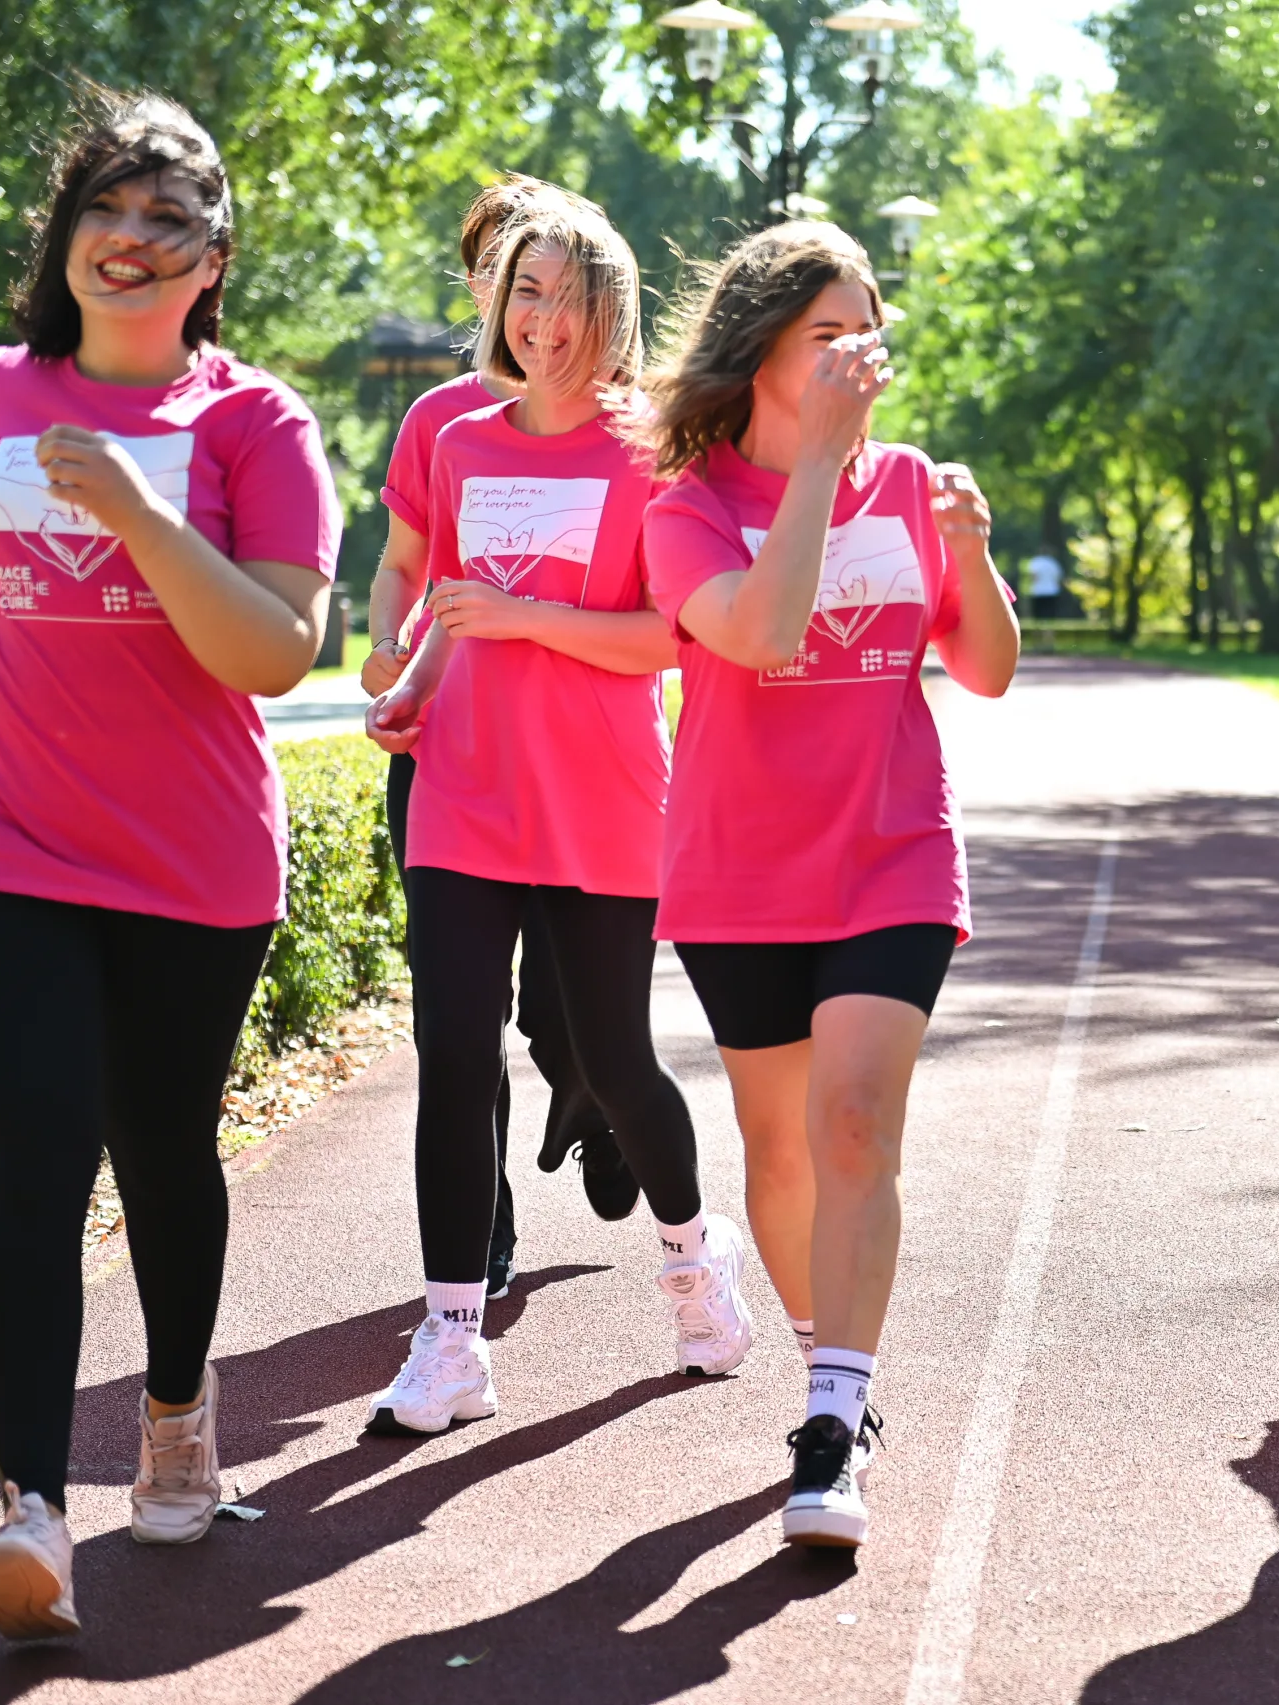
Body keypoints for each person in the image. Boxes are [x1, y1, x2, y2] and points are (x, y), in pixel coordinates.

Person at [0, 88, 338, 1638]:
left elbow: (274, 648)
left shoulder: (257, 426)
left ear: (212, 260)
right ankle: (32, 1509)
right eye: (105, 213)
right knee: (36, 1161)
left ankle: (181, 1414)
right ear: (66, 238)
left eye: (166, 222)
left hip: (192, 856)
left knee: (163, 1148)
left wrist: (136, 509)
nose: (127, 242)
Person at [632, 222, 1021, 1547]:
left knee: (856, 1125)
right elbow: (763, 630)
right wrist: (816, 471)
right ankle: (823, 1345)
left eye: (870, 327)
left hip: (891, 850)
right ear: (762, 352)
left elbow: (985, 672)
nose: (862, 353)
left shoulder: (911, 480)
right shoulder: (684, 506)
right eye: (829, 333)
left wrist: (967, 553)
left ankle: (830, 1419)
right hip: (740, 870)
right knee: (783, 1156)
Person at [365, 200, 749, 1435]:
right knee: (453, 1062)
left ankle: (695, 1265)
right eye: (524, 293)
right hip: (464, 796)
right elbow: (446, 606)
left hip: (602, 797)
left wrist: (528, 621)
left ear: (611, 309)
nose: (544, 320)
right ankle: (452, 1334)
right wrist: (408, 690)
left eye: (569, 295)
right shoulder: (462, 441)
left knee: (616, 1059)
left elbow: (662, 637)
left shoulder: (652, 449)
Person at [361, 175, 640, 1297]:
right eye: (496, 272)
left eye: (538, 278)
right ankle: (479, 1240)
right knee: (456, 1025)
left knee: (564, 1014)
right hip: (445, 757)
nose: (516, 299)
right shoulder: (441, 424)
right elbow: (400, 570)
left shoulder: (624, 435)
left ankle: (596, 1094)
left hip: (578, 769)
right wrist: (385, 657)